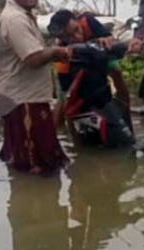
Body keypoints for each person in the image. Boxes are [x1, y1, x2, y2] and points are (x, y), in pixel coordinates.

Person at [0, 0, 69, 174]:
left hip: (22, 97)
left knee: (22, 157)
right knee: (37, 164)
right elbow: (33, 59)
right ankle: (37, 203)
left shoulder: (22, 14)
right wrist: (56, 52)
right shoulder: (15, 19)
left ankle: (29, 199)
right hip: (23, 101)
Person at [48, 10, 133, 148]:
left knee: (117, 74)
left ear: (78, 21)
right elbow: (66, 90)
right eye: (69, 36)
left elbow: (108, 36)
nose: (77, 37)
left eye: (77, 30)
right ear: (62, 38)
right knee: (65, 99)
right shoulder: (63, 49)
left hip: (100, 56)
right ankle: (72, 142)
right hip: (76, 62)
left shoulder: (88, 21)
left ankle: (125, 115)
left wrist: (106, 40)